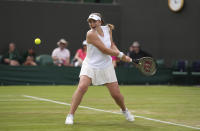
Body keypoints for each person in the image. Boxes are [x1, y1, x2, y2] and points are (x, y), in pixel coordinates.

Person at [65, 13, 134, 125]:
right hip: (90, 65)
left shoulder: (108, 29)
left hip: (106, 66)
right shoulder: (90, 34)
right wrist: (121, 56)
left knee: (116, 94)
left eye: (94, 21)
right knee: (82, 87)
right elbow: (105, 50)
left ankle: (125, 110)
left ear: (100, 22)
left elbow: (111, 45)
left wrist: (120, 54)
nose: (92, 24)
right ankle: (70, 115)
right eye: (90, 22)